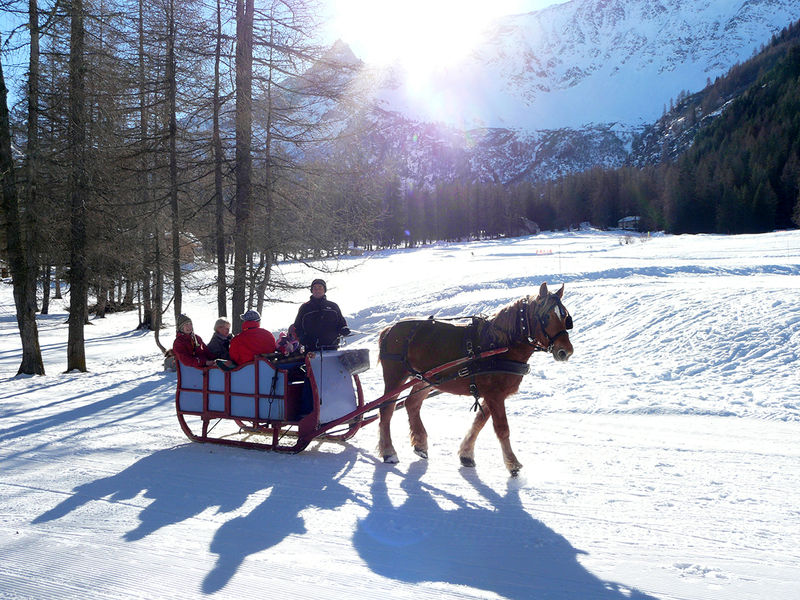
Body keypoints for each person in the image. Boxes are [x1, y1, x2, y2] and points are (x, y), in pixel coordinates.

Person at [293, 279, 350, 352]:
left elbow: (342, 323)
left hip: (332, 347)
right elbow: (297, 327)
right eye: (315, 288)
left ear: (324, 290)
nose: (317, 290)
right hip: (311, 349)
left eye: (320, 287)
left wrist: (344, 329)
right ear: (312, 290)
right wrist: (302, 338)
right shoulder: (305, 308)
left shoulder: (333, 306)